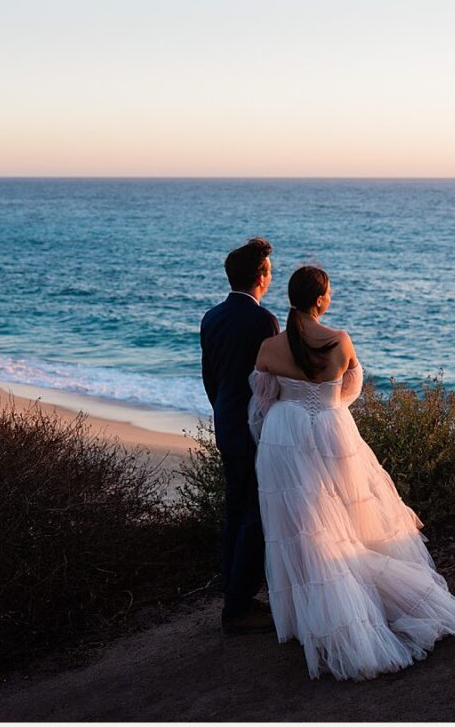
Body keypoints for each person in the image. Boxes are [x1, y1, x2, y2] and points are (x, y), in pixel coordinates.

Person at [248, 264, 455, 681]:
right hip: (333, 431)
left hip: (284, 437)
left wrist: (291, 414)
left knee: (301, 528)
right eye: (329, 293)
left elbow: (262, 403)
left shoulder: (269, 347)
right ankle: (351, 608)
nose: (331, 297)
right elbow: (349, 390)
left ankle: (312, 618)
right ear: (319, 300)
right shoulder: (340, 340)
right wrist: (324, 408)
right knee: (347, 521)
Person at [199, 237, 281, 636]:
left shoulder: (211, 317)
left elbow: (210, 378)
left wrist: (224, 412)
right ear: (261, 277)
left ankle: (233, 592)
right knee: (255, 511)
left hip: (225, 422)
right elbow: (270, 382)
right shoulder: (263, 321)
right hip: (252, 428)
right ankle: (238, 605)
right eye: (270, 271)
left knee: (235, 509)